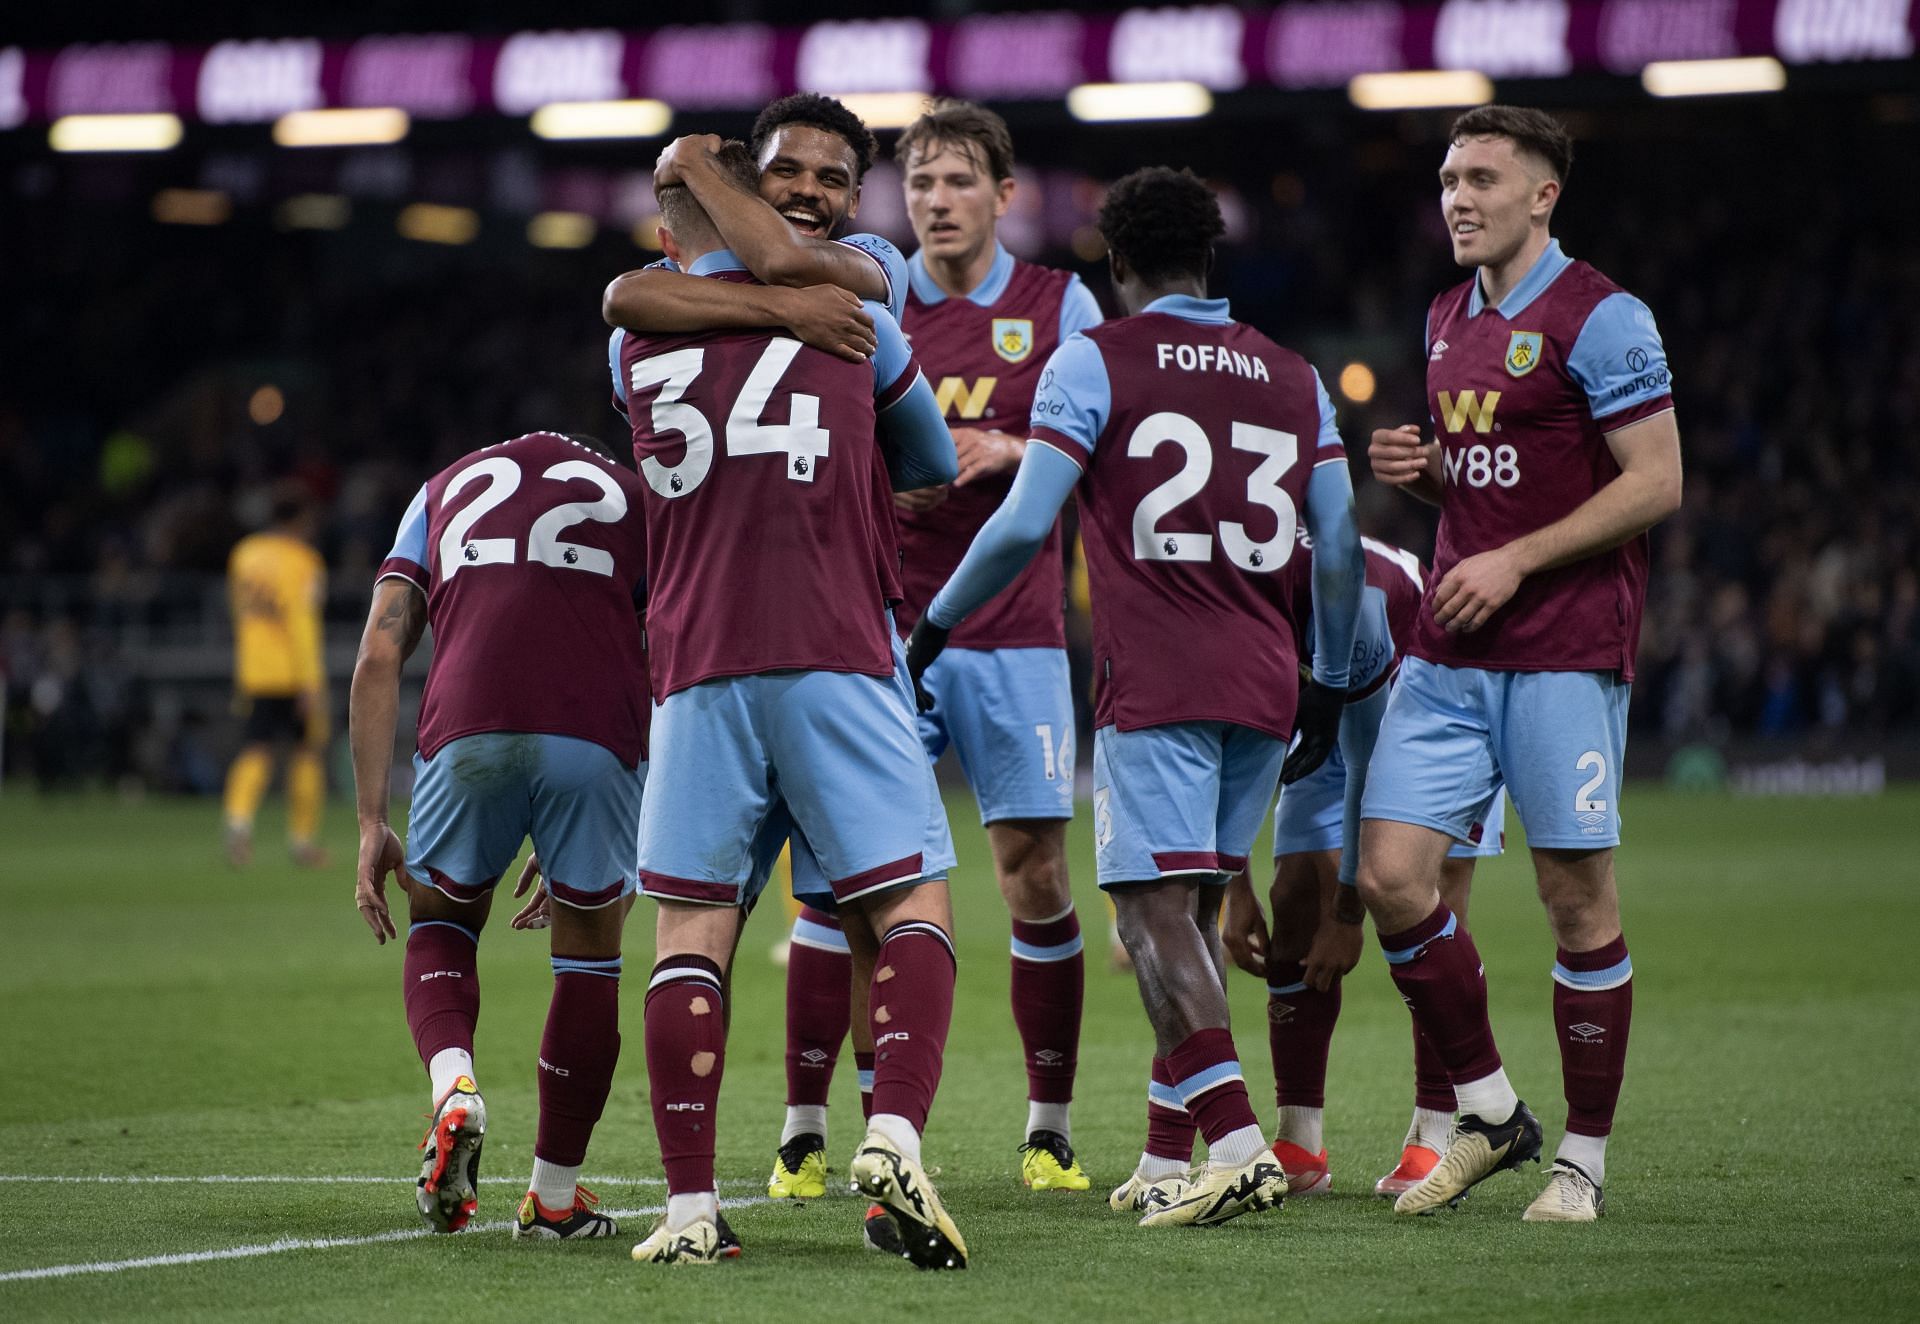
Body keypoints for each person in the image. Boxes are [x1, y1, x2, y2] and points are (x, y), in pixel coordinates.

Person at [906, 166, 1365, 1229]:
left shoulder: (1094, 358)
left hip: (1155, 678)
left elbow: (1023, 526)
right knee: (1193, 910)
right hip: (1266, 678)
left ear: (1113, 265)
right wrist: (1330, 684)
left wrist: (931, 629)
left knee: (1153, 913)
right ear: (1211, 260)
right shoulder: (1295, 376)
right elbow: (1336, 544)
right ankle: (1168, 1157)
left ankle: (1240, 1146)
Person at [616, 141, 969, 1269]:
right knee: (911, 901)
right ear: (756, 197)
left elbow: (630, 288)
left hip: (695, 659)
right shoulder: (851, 309)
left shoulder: (637, 337)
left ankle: (686, 1212)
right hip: (832, 642)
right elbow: (931, 464)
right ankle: (897, 1136)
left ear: (671, 231)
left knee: (691, 932)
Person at [1360, 105, 1682, 1222]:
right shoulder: (1450, 313)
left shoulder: (1605, 316)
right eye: (1450, 177)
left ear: (1543, 195)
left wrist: (1513, 560)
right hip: (1450, 650)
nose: (1458, 197)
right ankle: (1491, 1108)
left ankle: (1582, 1162)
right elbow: (1503, 478)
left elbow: (1654, 480)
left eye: (1484, 177)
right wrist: (1432, 477)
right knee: (1390, 877)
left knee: (1572, 895)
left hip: (1561, 649)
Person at [347, 431, 648, 1242]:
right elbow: (672, 640)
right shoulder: (638, 492)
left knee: (442, 923)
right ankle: (553, 1200)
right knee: (591, 957)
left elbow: (381, 649)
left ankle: (455, 1088)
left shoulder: (441, 488)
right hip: (596, 733)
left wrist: (374, 820)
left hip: (468, 726)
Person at [1218, 532, 1510, 1198]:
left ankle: (1436, 1134)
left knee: (1425, 901)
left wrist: (1348, 915)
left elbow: (1369, 759)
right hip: (1328, 717)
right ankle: (1300, 1141)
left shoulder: (1355, 595)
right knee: (1292, 894)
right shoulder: (1213, 592)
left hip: (1435, 708)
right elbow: (1219, 751)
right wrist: (1233, 891)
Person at [223, 488, 328, 867]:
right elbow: (302, 622)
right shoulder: (304, 560)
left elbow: (239, 614)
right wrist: (311, 682)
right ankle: (302, 842)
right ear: (301, 520)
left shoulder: (244, 554)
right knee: (306, 752)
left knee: (256, 749)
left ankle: (238, 825)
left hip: (254, 670)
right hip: (293, 673)